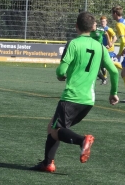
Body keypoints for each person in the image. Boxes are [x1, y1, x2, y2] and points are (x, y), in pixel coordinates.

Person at [30, 11, 119, 173]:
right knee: (53, 126)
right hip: (88, 101)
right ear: (93, 28)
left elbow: (60, 71)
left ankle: (82, 141)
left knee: (55, 130)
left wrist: (61, 76)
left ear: (76, 26)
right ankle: (48, 163)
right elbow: (114, 72)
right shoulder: (99, 47)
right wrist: (113, 92)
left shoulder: (74, 44)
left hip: (71, 97)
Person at [99, 15, 122, 84]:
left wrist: (110, 44)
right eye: (101, 21)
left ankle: (124, 69)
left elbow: (115, 38)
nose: (102, 23)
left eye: (103, 21)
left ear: (106, 22)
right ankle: (105, 77)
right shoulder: (100, 29)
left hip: (109, 50)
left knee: (110, 64)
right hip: (103, 49)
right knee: (102, 64)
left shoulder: (109, 29)